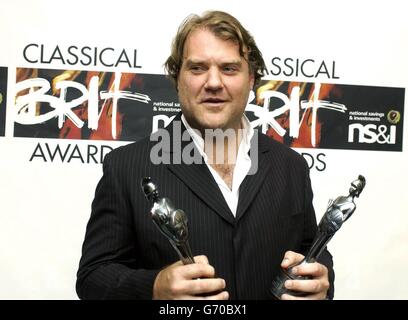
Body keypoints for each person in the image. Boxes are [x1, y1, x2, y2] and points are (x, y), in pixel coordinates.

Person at [76, 10, 334, 300]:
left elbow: (314, 252)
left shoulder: (291, 166)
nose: (213, 82)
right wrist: (154, 288)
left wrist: (321, 282)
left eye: (229, 69)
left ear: (252, 79)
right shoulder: (126, 167)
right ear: (177, 78)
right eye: (197, 68)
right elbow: (93, 278)